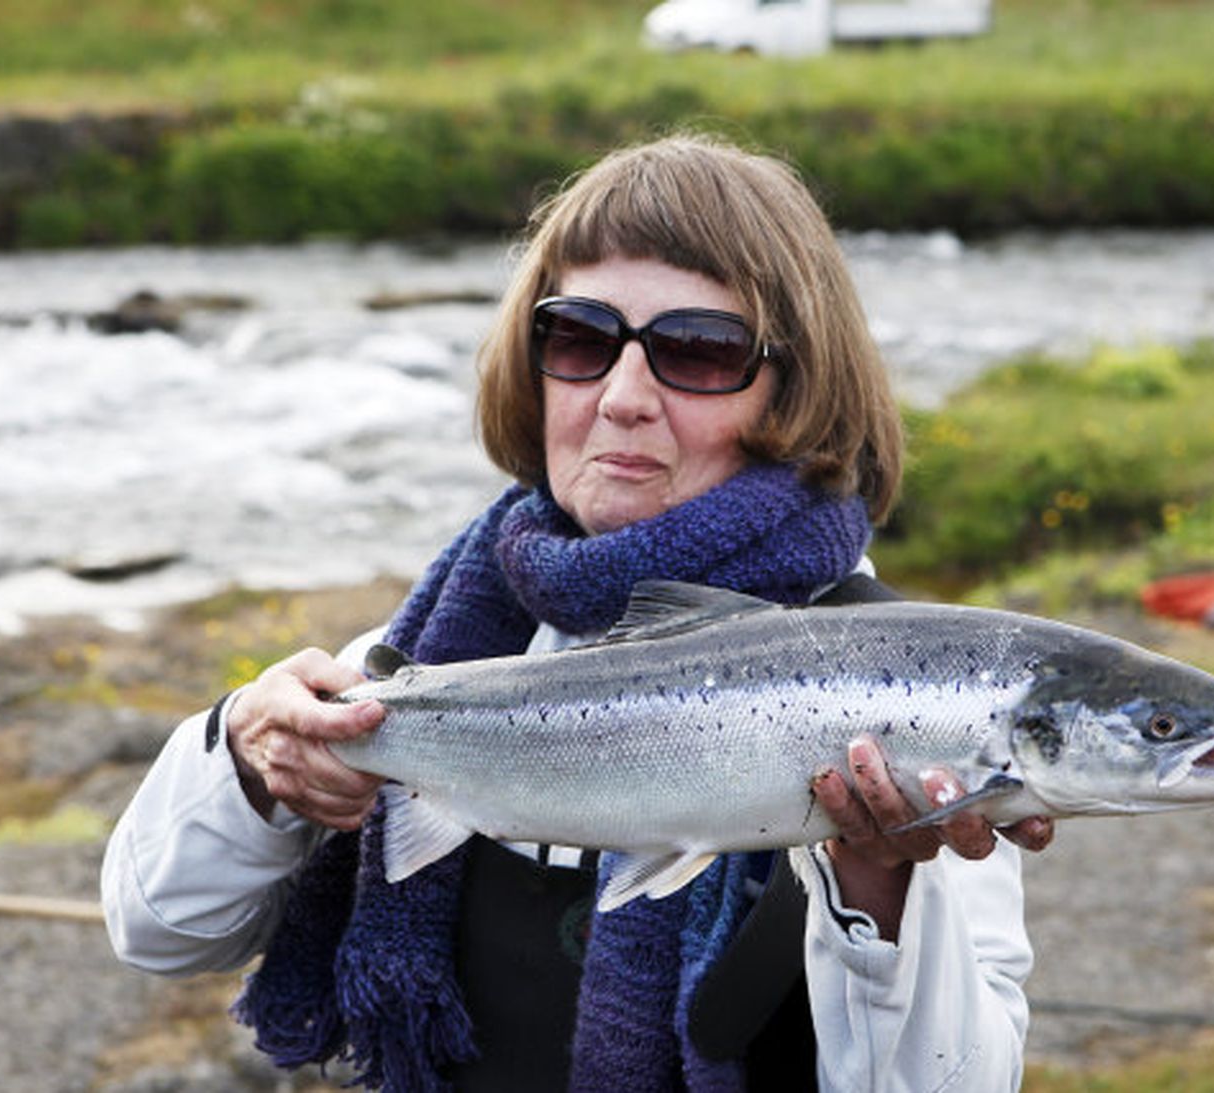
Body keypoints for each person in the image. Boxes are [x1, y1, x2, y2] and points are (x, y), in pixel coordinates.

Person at [101, 133, 1054, 1092]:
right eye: (581, 339)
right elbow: (157, 928)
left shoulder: (916, 704)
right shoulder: (420, 662)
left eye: (698, 350)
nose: (622, 396)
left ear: (797, 390)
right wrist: (250, 759)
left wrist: (879, 883)